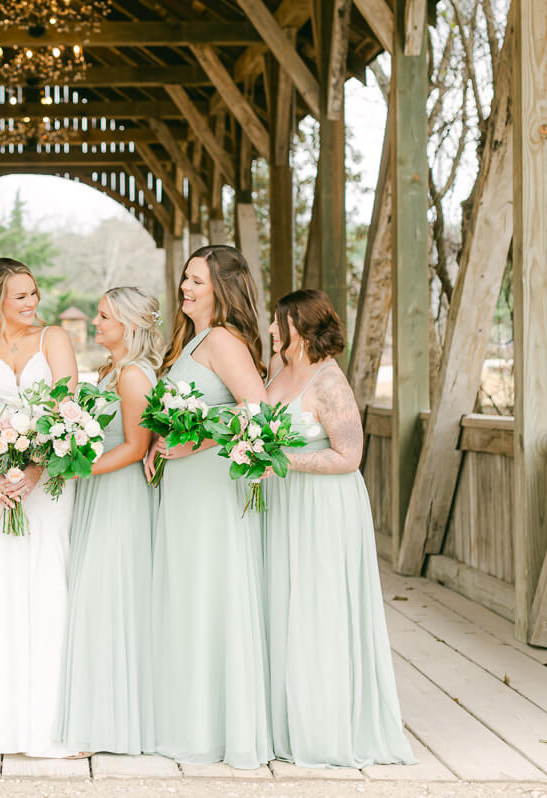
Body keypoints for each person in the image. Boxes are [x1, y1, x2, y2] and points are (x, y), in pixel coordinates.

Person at [263, 289, 415, 768]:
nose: (270, 330)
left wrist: (282, 459)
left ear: (301, 329)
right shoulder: (275, 370)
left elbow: (349, 457)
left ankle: (325, 726)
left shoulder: (330, 384)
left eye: (278, 322)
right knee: (280, 602)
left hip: (323, 507)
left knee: (317, 606)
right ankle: (282, 720)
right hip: (281, 504)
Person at [145, 245, 272, 769]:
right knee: (186, 593)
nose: (185, 289)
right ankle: (186, 716)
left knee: (209, 593)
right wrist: (160, 442)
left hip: (212, 485)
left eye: (196, 281)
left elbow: (257, 411)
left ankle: (217, 727)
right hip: (183, 487)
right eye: (185, 279)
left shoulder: (222, 340)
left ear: (223, 287)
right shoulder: (192, 339)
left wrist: (197, 443)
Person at [0, 257, 79, 758]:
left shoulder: (57, 341)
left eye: (34, 293)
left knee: (48, 580)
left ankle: (48, 721)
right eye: (21, 296)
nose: (32, 303)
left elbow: (67, 409)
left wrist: (34, 472)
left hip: (46, 483)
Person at [54, 287, 163, 756]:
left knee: (108, 598)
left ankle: (108, 724)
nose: (95, 324)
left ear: (131, 325)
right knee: (93, 598)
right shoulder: (108, 370)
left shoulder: (134, 376)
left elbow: (136, 447)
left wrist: (74, 469)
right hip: (100, 491)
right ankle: (98, 713)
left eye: (103, 317)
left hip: (120, 496)